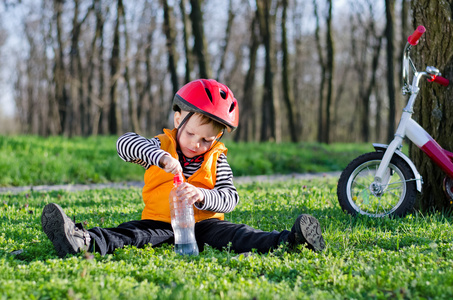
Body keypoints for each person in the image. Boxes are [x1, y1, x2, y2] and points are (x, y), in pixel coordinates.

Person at [41, 79, 325, 258]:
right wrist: (160, 158)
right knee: (133, 235)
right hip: (161, 222)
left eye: (207, 140)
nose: (197, 144)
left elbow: (230, 197)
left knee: (240, 235)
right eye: (192, 135)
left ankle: (292, 240)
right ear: (179, 119)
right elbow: (124, 144)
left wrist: (202, 196)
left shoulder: (217, 159)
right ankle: (81, 240)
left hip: (207, 224)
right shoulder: (159, 146)